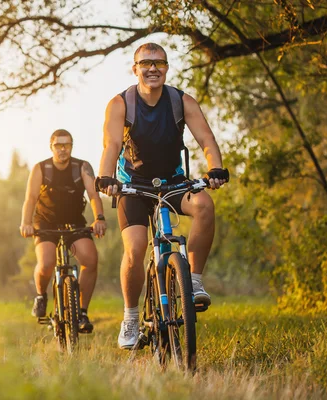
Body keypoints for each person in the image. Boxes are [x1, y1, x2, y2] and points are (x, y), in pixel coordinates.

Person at [96, 43, 229, 349]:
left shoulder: (181, 101)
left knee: (205, 206)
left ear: (167, 68)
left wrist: (216, 168)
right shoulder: (121, 103)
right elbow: (111, 144)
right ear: (136, 68)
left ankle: (192, 281)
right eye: (146, 63)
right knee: (137, 247)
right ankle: (130, 317)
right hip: (134, 186)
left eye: (159, 63)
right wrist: (106, 178)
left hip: (173, 182)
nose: (153, 68)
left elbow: (206, 138)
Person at [20, 129, 106, 333]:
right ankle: (41, 296)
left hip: (74, 223)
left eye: (67, 145)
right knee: (47, 262)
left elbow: (94, 196)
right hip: (46, 223)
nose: (63, 149)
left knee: (90, 260)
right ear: (51, 147)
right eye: (58, 145)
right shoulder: (41, 168)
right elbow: (30, 199)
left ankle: (82, 312)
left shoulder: (82, 167)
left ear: (71, 146)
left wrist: (99, 219)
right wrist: (26, 222)